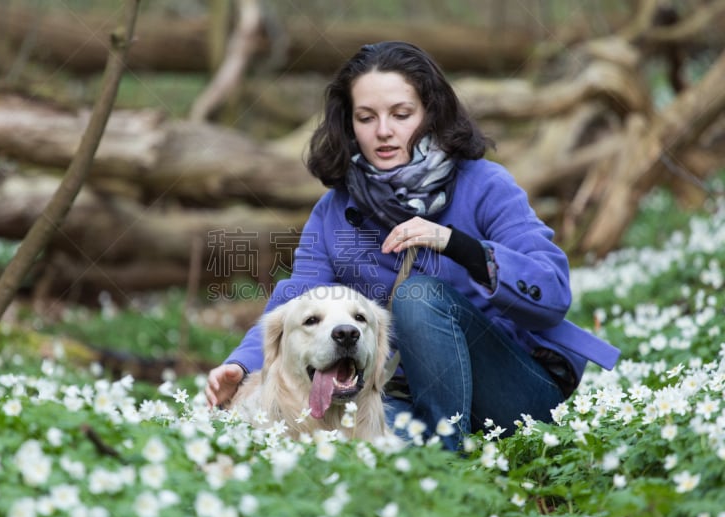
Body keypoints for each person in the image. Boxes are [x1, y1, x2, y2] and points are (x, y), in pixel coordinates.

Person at [205, 41, 620, 451]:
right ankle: (417, 456)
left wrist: (456, 244)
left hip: (511, 395)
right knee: (350, 439)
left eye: (401, 114)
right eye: (366, 118)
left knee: (418, 296)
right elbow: (299, 300)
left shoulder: (485, 185)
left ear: (430, 114)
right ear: (349, 124)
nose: (383, 131)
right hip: (401, 393)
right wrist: (241, 366)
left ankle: (445, 456)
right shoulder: (333, 211)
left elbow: (552, 291)